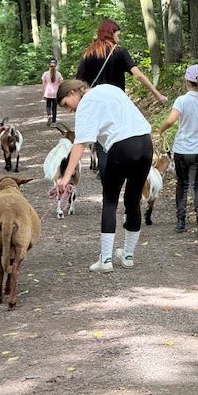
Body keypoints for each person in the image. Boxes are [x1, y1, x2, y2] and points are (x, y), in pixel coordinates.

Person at [56, 80, 153, 272]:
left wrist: (66, 177)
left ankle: (106, 259)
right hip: (145, 143)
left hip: (122, 146)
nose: (69, 110)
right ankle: (128, 255)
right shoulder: (109, 88)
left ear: (73, 92)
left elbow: (80, 144)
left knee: (110, 200)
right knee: (133, 200)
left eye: (66, 104)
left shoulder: (85, 104)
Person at [76, 18, 167, 182]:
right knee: (118, 139)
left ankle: (107, 184)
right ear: (111, 33)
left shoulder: (88, 54)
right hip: (117, 105)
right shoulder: (120, 52)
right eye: (117, 34)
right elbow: (138, 75)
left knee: (101, 146)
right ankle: (120, 176)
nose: (118, 37)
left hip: (96, 106)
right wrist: (157, 94)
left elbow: (79, 83)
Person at [159, 64, 198, 236]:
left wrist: (161, 130)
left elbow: (170, 121)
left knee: (182, 184)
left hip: (183, 149)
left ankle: (181, 221)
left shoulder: (181, 100)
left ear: (187, 81)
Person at [41, 57, 63, 126]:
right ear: (56, 65)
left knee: (48, 105)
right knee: (54, 107)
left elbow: (44, 84)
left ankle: (49, 115)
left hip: (48, 92)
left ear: (49, 64)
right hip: (55, 93)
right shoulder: (58, 74)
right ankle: (54, 122)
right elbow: (61, 84)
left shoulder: (45, 74)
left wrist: (44, 93)